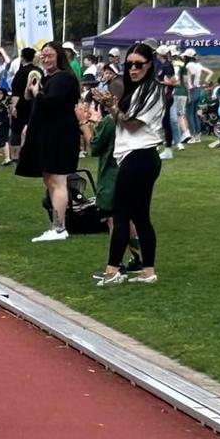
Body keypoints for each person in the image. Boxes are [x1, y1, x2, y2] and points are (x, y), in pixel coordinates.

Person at [90, 43, 164, 286]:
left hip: (140, 156)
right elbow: (123, 121)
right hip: (136, 156)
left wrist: (112, 106)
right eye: (129, 64)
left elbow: (131, 123)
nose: (133, 69)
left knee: (121, 214)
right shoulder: (136, 90)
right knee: (140, 217)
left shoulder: (152, 90)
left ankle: (113, 270)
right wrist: (112, 106)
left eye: (138, 64)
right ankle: (147, 270)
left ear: (149, 65)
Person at [15, 41, 81, 242]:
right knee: (50, 179)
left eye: (49, 55)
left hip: (59, 136)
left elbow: (51, 104)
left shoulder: (63, 79)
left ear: (59, 56)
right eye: (43, 55)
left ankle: (60, 228)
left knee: (57, 180)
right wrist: (31, 91)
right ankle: (57, 225)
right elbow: (33, 101)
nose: (45, 59)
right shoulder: (49, 78)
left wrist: (37, 94)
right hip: (48, 134)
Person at [78, 96, 144, 276]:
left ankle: (116, 264)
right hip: (133, 171)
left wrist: (83, 123)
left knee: (114, 219)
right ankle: (139, 258)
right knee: (128, 219)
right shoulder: (134, 116)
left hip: (113, 175)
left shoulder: (110, 120)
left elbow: (95, 146)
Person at [8, 48, 42, 162]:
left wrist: (13, 107)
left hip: (22, 104)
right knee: (32, 128)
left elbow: (16, 92)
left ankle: (15, 156)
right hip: (36, 103)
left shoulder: (21, 72)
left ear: (22, 57)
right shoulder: (38, 71)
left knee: (17, 130)